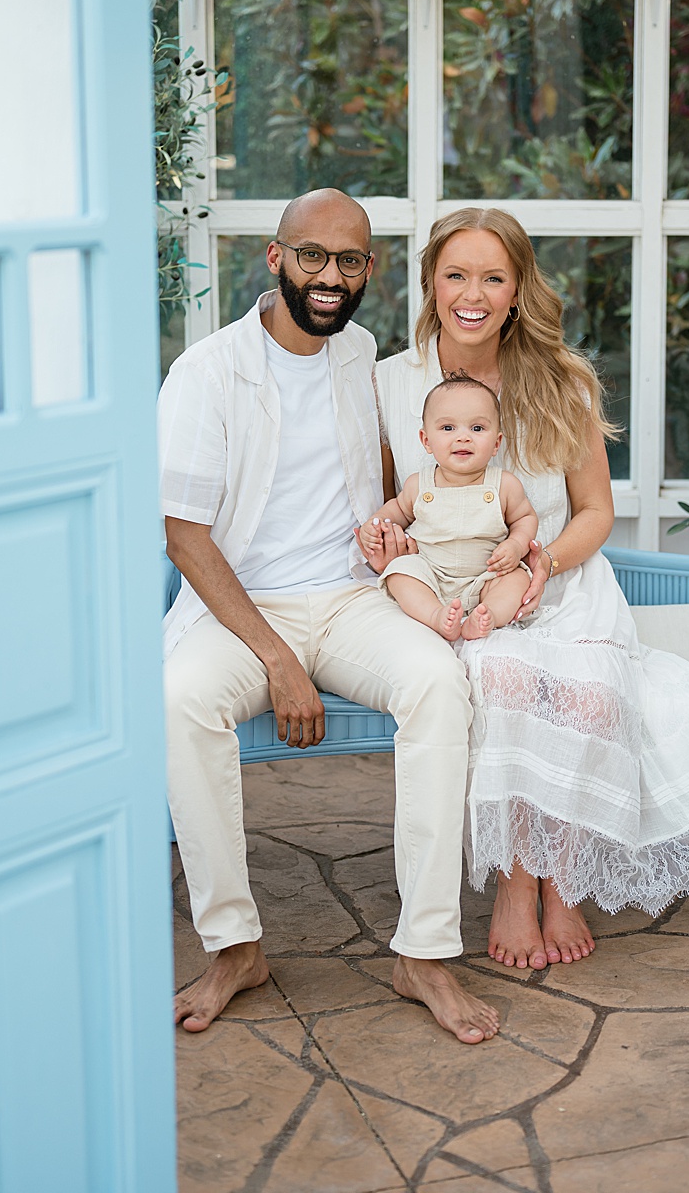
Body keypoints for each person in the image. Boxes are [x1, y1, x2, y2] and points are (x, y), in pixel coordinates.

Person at [159, 187, 501, 1046]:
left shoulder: (360, 354)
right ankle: (235, 946)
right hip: (244, 609)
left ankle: (424, 952)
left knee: (436, 682)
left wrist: (408, 528)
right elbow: (183, 534)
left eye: (349, 261)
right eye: (311, 255)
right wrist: (275, 658)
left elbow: (383, 467)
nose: (329, 276)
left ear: (369, 271)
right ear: (275, 258)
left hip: (352, 598)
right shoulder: (207, 371)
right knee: (180, 700)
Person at [371, 207, 689, 970]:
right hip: (460, 588)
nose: (471, 294)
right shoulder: (391, 381)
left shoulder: (560, 379)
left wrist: (540, 560)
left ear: (517, 290)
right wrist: (396, 543)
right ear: (429, 283)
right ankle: (517, 883)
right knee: (499, 678)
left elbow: (595, 512)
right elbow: (402, 503)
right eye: (455, 274)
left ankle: (563, 878)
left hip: (557, 574)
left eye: (493, 277)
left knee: (591, 692)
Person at [361, 375, 539, 642]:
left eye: (477, 429)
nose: (463, 438)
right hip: (431, 574)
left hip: (486, 576)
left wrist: (516, 545)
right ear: (426, 440)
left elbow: (525, 518)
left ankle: (485, 615)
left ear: (497, 443)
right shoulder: (418, 485)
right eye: (448, 428)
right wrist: (374, 526)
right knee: (400, 573)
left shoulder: (504, 485)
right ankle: (436, 616)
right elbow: (395, 510)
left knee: (516, 580)